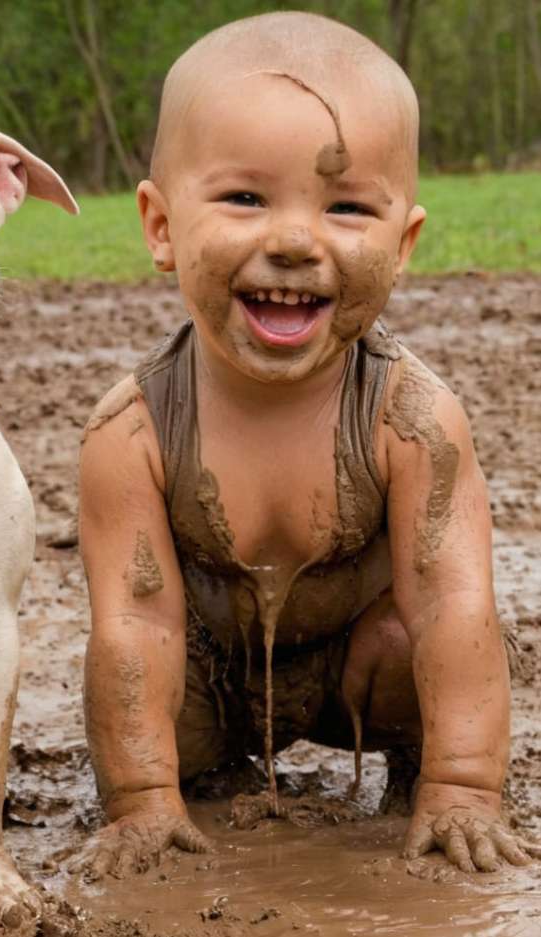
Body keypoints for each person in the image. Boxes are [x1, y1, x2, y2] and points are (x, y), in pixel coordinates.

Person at [77, 10, 538, 879]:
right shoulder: (129, 429)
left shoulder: (412, 416)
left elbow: (452, 604)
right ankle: (182, 788)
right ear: (160, 224)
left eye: (348, 207)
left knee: (417, 637)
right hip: (208, 683)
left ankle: (420, 777)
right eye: (244, 198)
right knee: (149, 693)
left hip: (361, 673)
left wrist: (465, 784)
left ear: (402, 246)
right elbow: (134, 620)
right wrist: (140, 799)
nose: (293, 241)